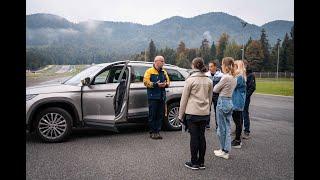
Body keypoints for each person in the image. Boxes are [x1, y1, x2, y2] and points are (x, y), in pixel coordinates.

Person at [178, 57, 213, 170]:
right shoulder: (209, 80)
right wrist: (208, 111)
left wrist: (180, 115)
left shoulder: (190, 80)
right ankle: (201, 162)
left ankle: (194, 162)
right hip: (204, 113)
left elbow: (184, 99)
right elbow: (210, 98)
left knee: (194, 137)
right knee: (201, 136)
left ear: (193, 66)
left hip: (192, 113)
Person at [213, 57, 237, 160]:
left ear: (226, 66)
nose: (221, 66)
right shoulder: (234, 77)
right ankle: (224, 149)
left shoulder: (225, 77)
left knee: (221, 128)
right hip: (229, 101)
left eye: (222, 64)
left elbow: (215, 89)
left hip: (222, 101)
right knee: (226, 127)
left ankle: (224, 150)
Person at [143, 56, 170, 139]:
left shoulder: (164, 72)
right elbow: (145, 82)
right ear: (156, 61)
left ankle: (157, 132)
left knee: (160, 115)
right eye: (162, 61)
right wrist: (156, 84)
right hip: (153, 97)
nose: (163, 63)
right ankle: (152, 132)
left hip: (161, 96)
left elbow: (168, 81)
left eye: (163, 61)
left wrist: (166, 84)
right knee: (152, 115)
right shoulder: (149, 71)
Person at [231, 60, 247, 148]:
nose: (232, 67)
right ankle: (237, 139)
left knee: (238, 122)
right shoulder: (240, 76)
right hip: (237, 101)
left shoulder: (239, 77)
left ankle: (237, 140)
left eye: (234, 66)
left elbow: (232, 85)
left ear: (238, 67)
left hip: (236, 102)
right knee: (238, 121)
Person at [205, 60, 223, 129]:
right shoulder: (206, 74)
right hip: (208, 95)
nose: (210, 68)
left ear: (215, 67)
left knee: (217, 110)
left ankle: (217, 125)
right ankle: (207, 124)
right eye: (209, 66)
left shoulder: (221, 75)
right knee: (207, 110)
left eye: (211, 66)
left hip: (217, 95)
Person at [242, 60, 256, 139]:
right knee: (238, 114)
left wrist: (246, 96)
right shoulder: (241, 74)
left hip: (245, 98)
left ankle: (247, 131)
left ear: (246, 65)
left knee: (245, 113)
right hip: (239, 98)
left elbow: (252, 87)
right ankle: (238, 129)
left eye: (243, 65)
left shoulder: (251, 75)